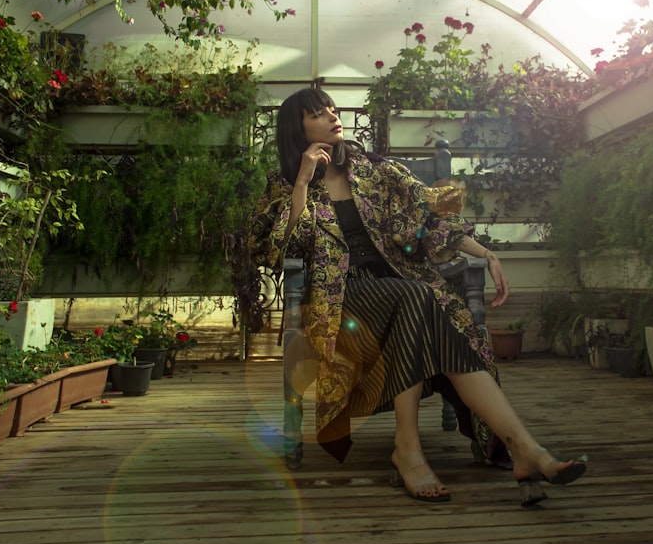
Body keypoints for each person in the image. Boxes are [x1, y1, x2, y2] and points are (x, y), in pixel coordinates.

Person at [249, 87, 587, 505]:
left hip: (401, 288)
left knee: (421, 302)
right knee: (420, 298)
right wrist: (302, 180)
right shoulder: (283, 183)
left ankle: (522, 448)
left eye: (333, 108)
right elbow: (275, 247)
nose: (333, 116)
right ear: (296, 128)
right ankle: (425, 450)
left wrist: (487, 252)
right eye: (319, 113)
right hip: (340, 298)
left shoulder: (372, 170)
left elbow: (427, 218)